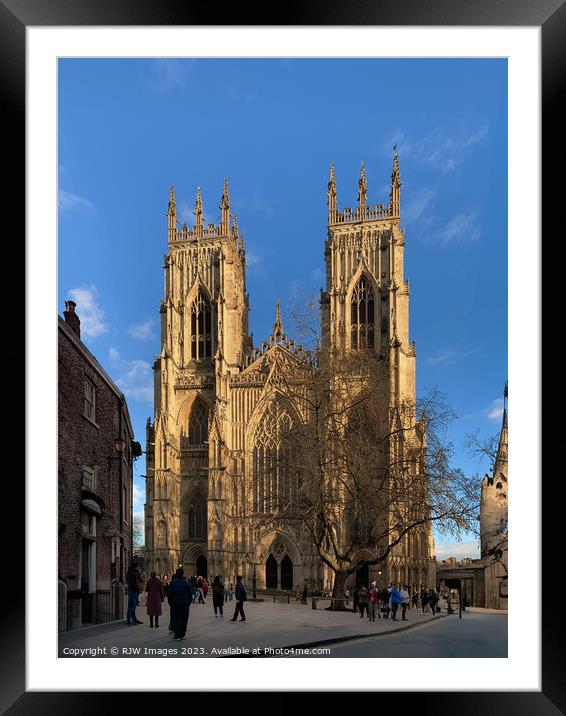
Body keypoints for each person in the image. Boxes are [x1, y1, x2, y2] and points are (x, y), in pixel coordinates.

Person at [168, 567, 192, 640]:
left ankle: (177, 634)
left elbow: (169, 595)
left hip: (175, 604)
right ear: (182, 574)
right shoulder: (187, 583)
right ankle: (181, 634)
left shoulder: (172, 583)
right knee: (184, 619)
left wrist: (171, 604)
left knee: (175, 619)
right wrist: (188, 603)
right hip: (184, 604)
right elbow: (190, 595)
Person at [126, 560, 143, 625]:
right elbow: (133, 582)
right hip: (133, 591)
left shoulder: (135, 572)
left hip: (134, 590)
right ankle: (129, 620)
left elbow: (140, 579)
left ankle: (133, 618)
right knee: (131, 606)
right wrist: (137, 588)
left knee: (134, 605)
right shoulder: (131, 573)